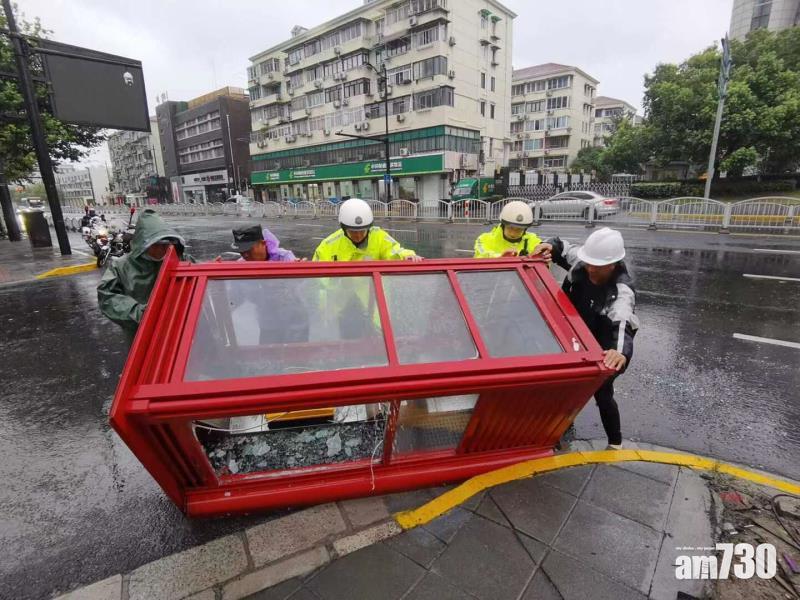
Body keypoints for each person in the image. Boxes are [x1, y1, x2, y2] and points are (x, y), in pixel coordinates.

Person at [537, 227, 639, 450]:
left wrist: (619, 352)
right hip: (573, 332)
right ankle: (558, 434)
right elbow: (560, 246)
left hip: (602, 344)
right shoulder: (583, 261)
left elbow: (623, 323)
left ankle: (615, 443)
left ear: (612, 265)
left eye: (598, 266)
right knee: (565, 386)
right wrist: (547, 246)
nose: (590, 268)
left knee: (602, 393)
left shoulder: (621, 290)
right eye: (588, 262)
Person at [97, 209, 191, 341]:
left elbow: (199, 280)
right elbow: (107, 298)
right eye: (156, 245)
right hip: (141, 335)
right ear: (143, 244)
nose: (161, 250)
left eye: (165, 245)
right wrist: (140, 313)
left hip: (180, 329)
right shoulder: (121, 266)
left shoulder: (181, 260)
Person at [312, 198, 423, 262]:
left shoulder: (379, 236)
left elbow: (394, 250)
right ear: (344, 229)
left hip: (373, 297)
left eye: (363, 231)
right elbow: (316, 278)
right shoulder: (327, 246)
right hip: (340, 298)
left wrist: (406, 255)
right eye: (353, 232)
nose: (359, 235)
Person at [474, 200, 551, 260]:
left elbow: (543, 264)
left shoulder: (533, 240)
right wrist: (499, 258)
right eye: (510, 228)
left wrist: (544, 258)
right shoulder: (484, 239)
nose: (513, 234)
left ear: (525, 229)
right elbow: (481, 256)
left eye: (519, 229)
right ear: (503, 225)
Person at [229, 224, 297, 262]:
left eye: (248, 250)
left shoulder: (284, 258)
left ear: (263, 243)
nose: (245, 255)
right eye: (241, 251)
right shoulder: (241, 263)